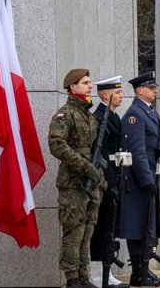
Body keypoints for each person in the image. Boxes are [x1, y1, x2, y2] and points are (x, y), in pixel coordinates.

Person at [48, 68, 101, 288]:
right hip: (73, 183)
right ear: (73, 87)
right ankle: (72, 278)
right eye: (85, 82)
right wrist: (85, 167)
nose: (90, 85)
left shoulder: (89, 115)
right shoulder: (65, 114)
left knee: (88, 231)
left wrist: (99, 177)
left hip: (92, 181)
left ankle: (83, 275)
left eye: (90, 82)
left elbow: (96, 150)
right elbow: (56, 144)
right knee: (74, 232)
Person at [120, 72, 160, 286]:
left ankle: (144, 270)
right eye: (151, 87)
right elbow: (137, 150)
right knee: (138, 225)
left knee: (148, 224)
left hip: (152, 172)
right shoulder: (135, 114)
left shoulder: (149, 112)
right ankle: (138, 273)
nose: (155, 90)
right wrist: (146, 179)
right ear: (140, 90)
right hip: (140, 177)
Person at [88, 76, 129, 288]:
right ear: (106, 95)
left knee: (110, 228)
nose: (122, 95)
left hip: (116, 175)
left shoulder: (113, 116)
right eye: (118, 92)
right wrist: (111, 183)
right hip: (106, 179)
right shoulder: (99, 117)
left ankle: (107, 272)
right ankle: (97, 275)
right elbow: (102, 154)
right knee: (101, 227)